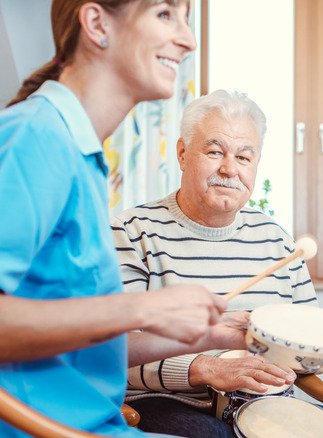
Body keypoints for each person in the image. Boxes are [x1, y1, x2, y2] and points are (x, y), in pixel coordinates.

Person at [0, 1, 248, 437]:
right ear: (97, 23)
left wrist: (209, 335)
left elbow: (83, 345)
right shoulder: (37, 137)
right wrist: (141, 306)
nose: (189, 39)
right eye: (165, 14)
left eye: (187, 19)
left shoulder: (81, 155)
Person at [111, 89, 323, 438]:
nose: (229, 169)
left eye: (244, 157)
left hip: (267, 405)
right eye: (215, 151)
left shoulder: (278, 241)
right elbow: (111, 350)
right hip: (169, 401)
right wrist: (206, 368)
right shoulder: (131, 233)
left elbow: (305, 341)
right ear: (183, 153)